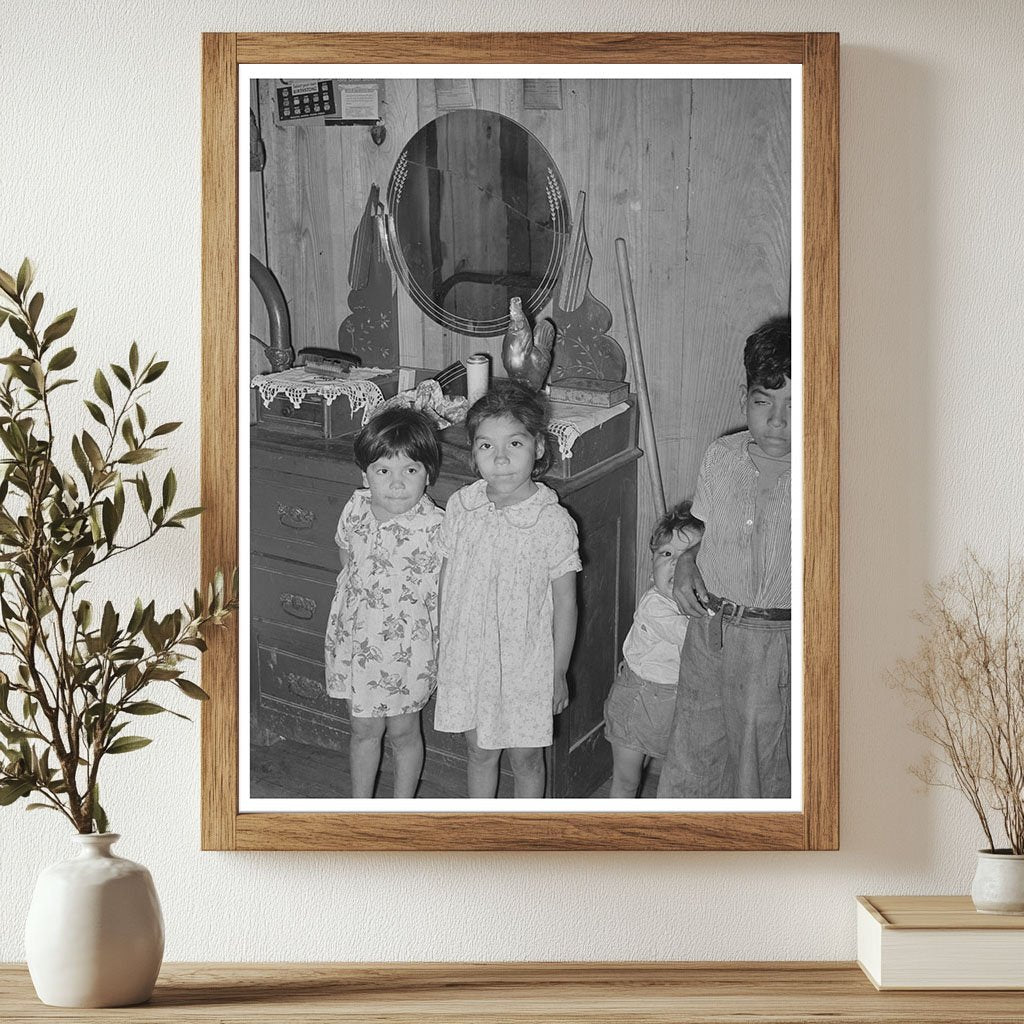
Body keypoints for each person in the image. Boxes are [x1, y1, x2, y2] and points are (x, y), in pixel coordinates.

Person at [658, 315, 792, 800]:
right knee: (693, 752)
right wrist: (688, 560)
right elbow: (703, 530)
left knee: (757, 767)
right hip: (709, 630)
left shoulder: (824, 470)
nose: (776, 421)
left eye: (795, 405)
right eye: (764, 402)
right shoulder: (720, 456)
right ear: (744, 398)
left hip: (773, 641)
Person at [434, 380, 581, 798]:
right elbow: (448, 577)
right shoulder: (463, 506)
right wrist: (444, 646)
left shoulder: (551, 522)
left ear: (537, 446)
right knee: (479, 751)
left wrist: (557, 671)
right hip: (470, 657)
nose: (500, 459)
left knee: (526, 759)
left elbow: (566, 603)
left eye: (514, 444)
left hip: (526, 664)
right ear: (473, 451)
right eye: (486, 446)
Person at [324, 407, 444, 799]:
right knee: (363, 730)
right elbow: (347, 559)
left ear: (428, 474)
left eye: (410, 470)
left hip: (408, 651)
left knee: (404, 731)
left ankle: (401, 808)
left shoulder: (437, 527)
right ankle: (361, 809)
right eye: (383, 471)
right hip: (358, 645)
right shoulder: (355, 508)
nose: (396, 483)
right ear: (365, 475)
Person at [603, 501, 702, 798]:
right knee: (627, 779)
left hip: (672, 703)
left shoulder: (698, 604)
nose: (674, 564)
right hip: (639, 703)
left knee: (664, 771)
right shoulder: (655, 606)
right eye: (666, 554)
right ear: (652, 567)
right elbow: (692, 639)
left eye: (686, 557)